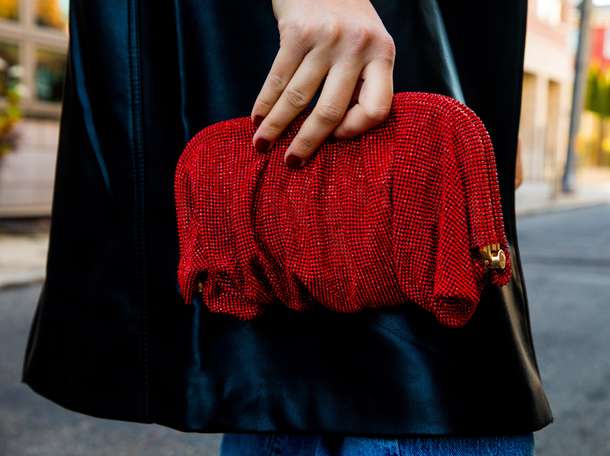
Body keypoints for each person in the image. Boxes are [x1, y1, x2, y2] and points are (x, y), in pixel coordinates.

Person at [21, 0, 553, 454]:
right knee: (433, 384)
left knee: (281, 383)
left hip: (405, 35)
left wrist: (491, 95)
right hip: (344, 24)